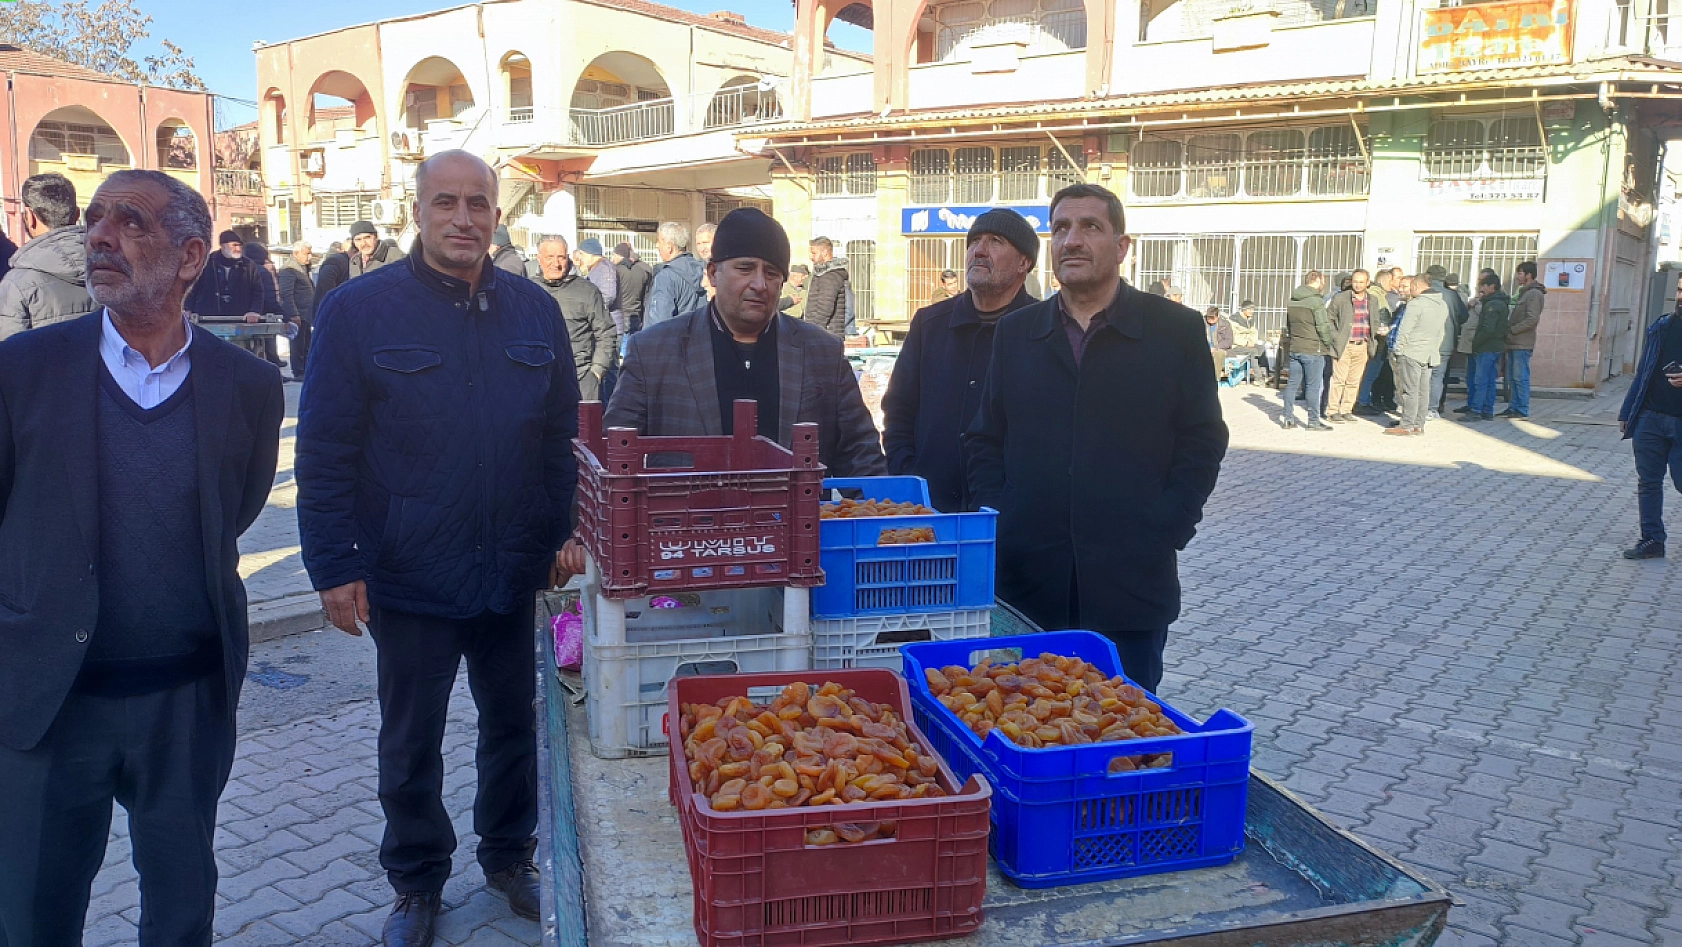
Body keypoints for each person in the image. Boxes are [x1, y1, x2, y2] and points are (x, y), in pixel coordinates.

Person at [297, 150, 579, 943]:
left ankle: (509, 857)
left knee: (513, 725)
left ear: (497, 214)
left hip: (511, 567)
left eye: (478, 203)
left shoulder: (535, 311)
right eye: (446, 202)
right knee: (411, 737)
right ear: (416, 212)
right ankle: (417, 881)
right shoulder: (359, 310)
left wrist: (563, 531)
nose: (463, 217)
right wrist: (334, 564)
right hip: (408, 568)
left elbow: (561, 436)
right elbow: (324, 448)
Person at [0, 169, 284, 944]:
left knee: (182, 912)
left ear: (190, 257)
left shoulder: (249, 386)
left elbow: (236, 507)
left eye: (131, 222)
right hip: (53, 702)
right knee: (33, 915)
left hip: (184, 702)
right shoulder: (22, 371)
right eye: (95, 219)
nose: (99, 235)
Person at [962, 184, 1227, 693]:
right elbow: (984, 438)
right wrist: (1002, 515)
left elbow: (1202, 438)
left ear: (1122, 246)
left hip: (1130, 583)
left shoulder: (1174, 330)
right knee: (1025, 715)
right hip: (1028, 581)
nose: (1072, 240)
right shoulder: (1017, 333)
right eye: (1061, 228)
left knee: (1126, 724)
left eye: (1090, 227)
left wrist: (1169, 522)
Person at [600, 207, 886, 482]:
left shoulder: (821, 352)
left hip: (794, 516)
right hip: (687, 515)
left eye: (771, 273)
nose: (759, 284)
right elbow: (612, 457)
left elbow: (862, 457)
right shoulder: (654, 352)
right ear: (713, 273)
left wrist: (881, 510)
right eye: (745, 269)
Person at [883, 208, 1039, 513]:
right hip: (930, 511)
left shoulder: (1041, 329)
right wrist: (907, 471)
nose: (979, 250)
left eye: (995, 241)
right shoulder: (929, 324)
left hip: (1012, 516)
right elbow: (899, 408)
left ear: (1024, 262)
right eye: (974, 241)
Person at [1618, 272, 1682, 559]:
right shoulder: (1662, 327)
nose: (1681, 297)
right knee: (1649, 481)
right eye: (1679, 290)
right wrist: (1628, 410)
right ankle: (1652, 540)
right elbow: (1644, 372)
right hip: (1651, 417)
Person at [0, 172, 95, 339]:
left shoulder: (17, 284)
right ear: (77, 215)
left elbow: (8, 349)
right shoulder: (110, 269)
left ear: (29, 217)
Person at [535, 236, 618, 401]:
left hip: (581, 380)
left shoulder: (587, 291)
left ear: (568, 258)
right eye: (549, 257)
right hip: (539, 380)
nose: (556, 263)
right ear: (539, 258)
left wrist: (597, 370)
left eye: (561, 257)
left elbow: (606, 332)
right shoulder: (529, 290)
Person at [1388, 275, 1450, 436]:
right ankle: (1418, 425)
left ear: (1416, 286)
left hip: (1411, 352)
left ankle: (1406, 425)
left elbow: (1404, 330)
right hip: (1429, 354)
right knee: (1423, 391)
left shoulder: (1416, 304)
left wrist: (1398, 350)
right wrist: (1433, 349)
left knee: (1410, 391)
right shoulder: (1442, 304)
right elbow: (1441, 332)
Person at [1324, 268, 1388, 423]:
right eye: (1355, 282)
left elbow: (1374, 320)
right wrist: (1336, 337)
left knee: (1354, 380)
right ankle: (1333, 411)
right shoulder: (1340, 298)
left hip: (1362, 345)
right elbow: (1328, 319)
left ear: (1367, 283)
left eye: (1361, 282)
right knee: (1339, 380)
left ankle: (1346, 410)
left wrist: (1379, 331)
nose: (1358, 285)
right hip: (1344, 345)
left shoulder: (1373, 300)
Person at [1280, 270, 1333, 431]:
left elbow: (1289, 326)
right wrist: (1328, 343)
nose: (1324, 284)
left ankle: (1288, 419)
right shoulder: (1317, 302)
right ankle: (1313, 422)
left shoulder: (1292, 300)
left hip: (1295, 347)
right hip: (1313, 349)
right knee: (1313, 387)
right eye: (1323, 281)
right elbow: (1323, 327)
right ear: (1317, 280)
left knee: (1292, 384)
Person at [1460, 273, 1509, 422]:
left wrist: (1476, 343)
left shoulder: (1492, 305)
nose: (1482, 289)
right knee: (1489, 381)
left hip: (1487, 347)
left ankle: (1476, 410)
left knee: (1481, 380)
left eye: (1484, 286)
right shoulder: (1499, 302)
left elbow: (1488, 329)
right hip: (1495, 346)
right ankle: (1487, 410)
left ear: (1492, 287)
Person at [1503, 261, 1545, 418]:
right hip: (1513, 342)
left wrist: (1513, 330)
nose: (1517, 277)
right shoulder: (1524, 292)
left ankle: (1522, 408)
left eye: (1520, 273)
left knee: (1520, 377)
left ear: (1529, 275)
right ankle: (1513, 406)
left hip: (1522, 342)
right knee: (1512, 377)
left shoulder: (1534, 294)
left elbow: (1532, 319)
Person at [644, 221, 705, 328]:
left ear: (669, 247)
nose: (657, 245)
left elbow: (659, 323)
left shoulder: (666, 276)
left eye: (659, 241)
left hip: (673, 337)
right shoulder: (703, 271)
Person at [277, 242, 316, 382]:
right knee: (298, 344)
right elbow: (286, 293)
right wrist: (293, 314)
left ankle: (306, 369)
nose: (309, 257)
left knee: (306, 344)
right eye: (306, 253)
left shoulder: (303, 267)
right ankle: (298, 371)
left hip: (306, 313)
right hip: (298, 313)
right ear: (296, 253)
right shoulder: (289, 269)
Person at [575, 237, 624, 336]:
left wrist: (589, 310)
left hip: (609, 326)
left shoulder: (605, 268)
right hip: (601, 324)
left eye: (582, 254)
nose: (580, 258)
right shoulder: (595, 268)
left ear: (591, 254)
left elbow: (608, 296)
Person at [805, 235, 850, 339]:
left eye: (814, 253)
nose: (811, 257)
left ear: (825, 252)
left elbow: (825, 308)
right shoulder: (821, 274)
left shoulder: (830, 276)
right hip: (823, 333)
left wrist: (813, 332)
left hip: (826, 334)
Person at [613, 241, 654, 333]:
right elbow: (646, 297)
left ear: (618, 255)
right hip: (637, 316)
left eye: (614, 255)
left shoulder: (616, 271)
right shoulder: (642, 271)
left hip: (621, 317)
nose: (613, 259)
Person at [1205, 306, 1234, 380]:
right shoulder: (1201, 323)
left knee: (1219, 354)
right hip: (1205, 348)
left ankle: (1215, 378)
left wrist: (1216, 348)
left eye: (1212, 318)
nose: (1210, 320)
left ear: (1218, 316)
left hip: (1221, 348)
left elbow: (1229, 341)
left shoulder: (1225, 325)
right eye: (1208, 318)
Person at [695, 222, 719, 301]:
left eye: (705, 243)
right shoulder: (695, 268)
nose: (702, 248)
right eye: (698, 244)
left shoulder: (727, 266)